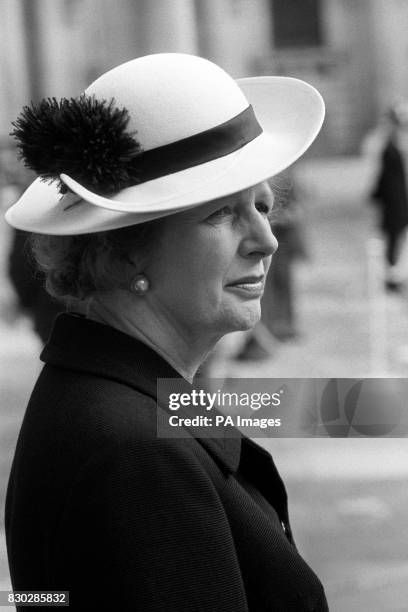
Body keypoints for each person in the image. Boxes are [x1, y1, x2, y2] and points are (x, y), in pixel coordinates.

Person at [4, 53, 327, 611]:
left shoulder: (131, 395)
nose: (265, 240)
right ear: (122, 253)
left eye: (263, 206)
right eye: (221, 214)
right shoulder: (134, 454)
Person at [371, 104, 408, 291]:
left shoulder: (396, 145)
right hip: (395, 204)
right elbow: (386, 178)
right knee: (393, 241)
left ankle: (395, 276)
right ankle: (392, 278)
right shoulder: (390, 147)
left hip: (398, 203)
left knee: (397, 241)